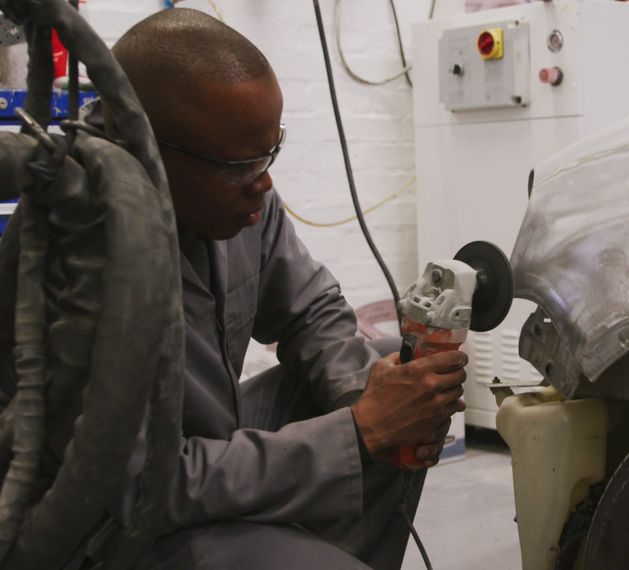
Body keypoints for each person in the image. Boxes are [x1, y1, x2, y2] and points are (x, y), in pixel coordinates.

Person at [102, 8, 467, 569]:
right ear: (141, 149)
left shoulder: (245, 197)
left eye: (269, 153)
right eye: (239, 165)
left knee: (397, 366)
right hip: (126, 522)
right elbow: (142, 487)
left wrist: (367, 400)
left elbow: (311, 313)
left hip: (204, 451)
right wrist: (361, 429)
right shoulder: (78, 264)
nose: (263, 182)